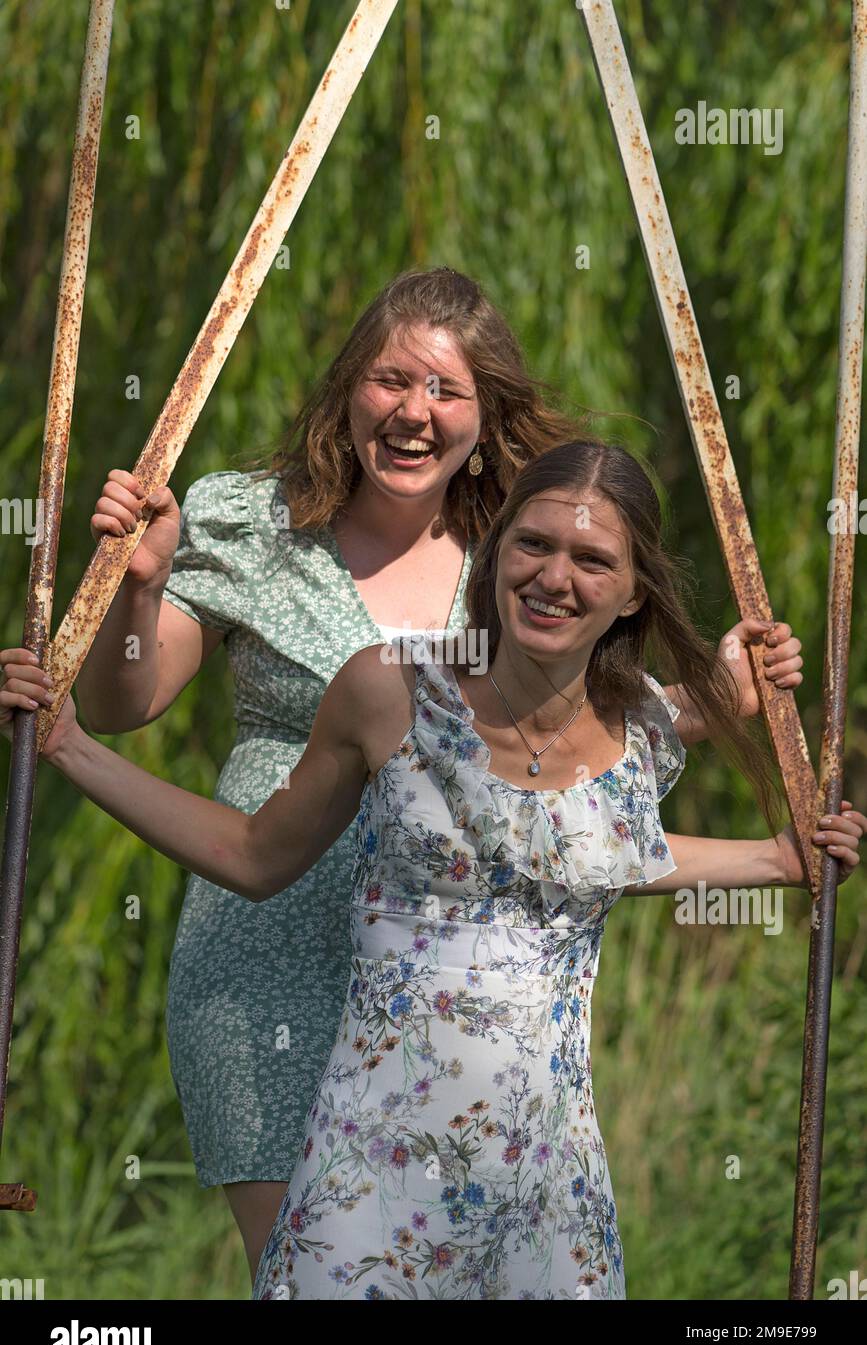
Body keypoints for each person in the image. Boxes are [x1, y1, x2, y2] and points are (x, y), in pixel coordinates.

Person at [0, 270, 807, 1285]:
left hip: (455, 960)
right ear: (350, 390)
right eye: (390, 380)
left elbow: (562, 754)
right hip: (269, 945)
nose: (413, 412)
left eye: (446, 391)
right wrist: (139, 587)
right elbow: (126, 700)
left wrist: (710, 700)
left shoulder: (520, 548)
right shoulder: (252, 522)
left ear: (485, 416)